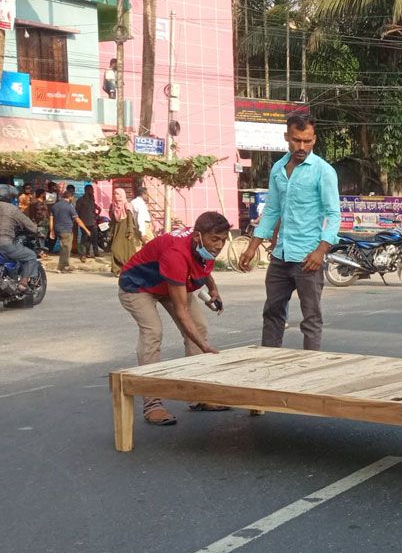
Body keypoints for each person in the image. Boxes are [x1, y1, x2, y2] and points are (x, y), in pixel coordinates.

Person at [238, 113, 340, 351]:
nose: (301, 146)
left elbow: (334, 215)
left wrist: (320, 251)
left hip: (308, 259)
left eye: (307, 141)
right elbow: (272, 210)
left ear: (314, 139)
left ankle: (308, 375)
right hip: (281, 256)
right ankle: (269, 364)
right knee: (272, 313)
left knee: (311, 319)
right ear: (287, 137)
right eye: (296, 140)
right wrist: (252, 247)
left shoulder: (323, 171)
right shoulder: (278, 169)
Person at [118, 211, 231, 425]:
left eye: (223, 240)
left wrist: (213, 289)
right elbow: (181, 311)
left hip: (169, 282)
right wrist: (204, 347)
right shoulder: (176, 254)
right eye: (214, 239)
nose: (219, 245)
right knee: (153, 333)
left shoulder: (202, 246)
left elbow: (202, 267)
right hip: (137, 286)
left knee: (199, 328)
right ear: (198, 236)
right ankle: (153, 405)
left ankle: (197, 396)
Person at [0, 186, 39, 293]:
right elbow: (30, 225)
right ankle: (23, 284)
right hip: (5, 244)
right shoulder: (12, 208)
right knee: (30, 256)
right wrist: (38, 231)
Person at [48, 187, 89, 273]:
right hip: (66, 230)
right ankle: (63, 267)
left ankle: (64, 265)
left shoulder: (55, 206)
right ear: (70, 197)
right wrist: (86, 229)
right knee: (66, 249)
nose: (73, 199)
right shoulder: (69, 207)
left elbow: (51, 219)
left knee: (63, 248)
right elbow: (78, 220)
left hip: (57, 229)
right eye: (72, 197)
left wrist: (51, 230)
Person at [74, 184, 100, 261]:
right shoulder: (80, 200)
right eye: (91, 190)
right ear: (87, 190)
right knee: (84, 238)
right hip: (84, 223)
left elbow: (94, 209)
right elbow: (76, 212)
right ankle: (83, 255)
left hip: (93, 222)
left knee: (92, 238)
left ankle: (90, 253)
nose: (93, 192)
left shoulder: (92, 200)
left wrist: (96, 215)